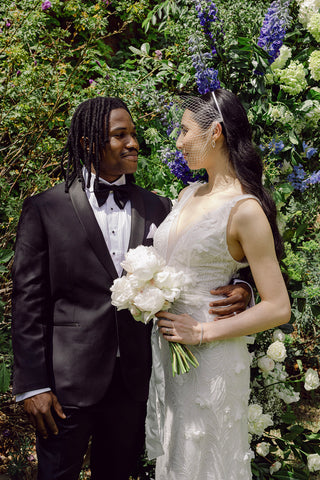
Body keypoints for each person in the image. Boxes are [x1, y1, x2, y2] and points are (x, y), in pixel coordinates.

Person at [11, 96, 251, 480]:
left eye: (134, 134)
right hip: (64, 385)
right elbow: (28, 302)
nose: (133, 143)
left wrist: (242, 284)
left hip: (133, 383)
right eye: (120, 135)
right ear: (90, 143)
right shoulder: (45, 209)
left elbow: (209, 249)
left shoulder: (159, 207)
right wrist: (32, 385)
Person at [145, 89, 291, 480]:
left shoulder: (245, 210)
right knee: (178, 458)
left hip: (212, 356)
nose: (178, 143)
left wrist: (203, 331)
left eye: (185, 131)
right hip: (173, 355)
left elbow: (278, 306)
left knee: (207, 460)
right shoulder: (187, 193)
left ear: (216, 133)